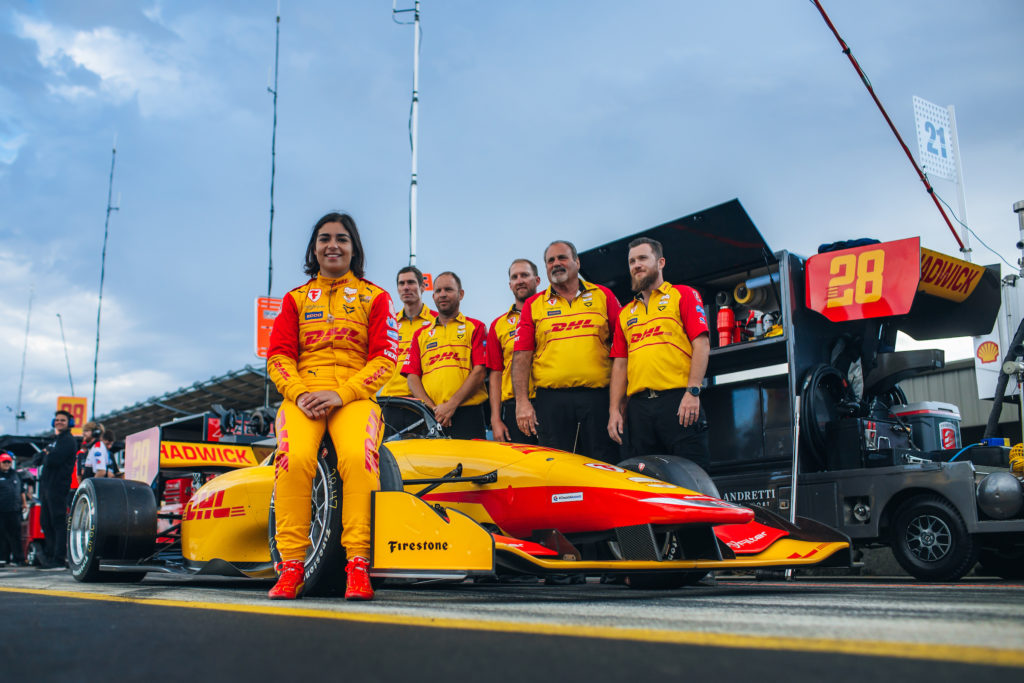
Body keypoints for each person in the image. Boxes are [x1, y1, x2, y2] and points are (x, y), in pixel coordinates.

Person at [266, 211, 398, 601]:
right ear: (314, 248)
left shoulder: (376, 297)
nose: (332, 245)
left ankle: (358, 563)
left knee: (359, 459)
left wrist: (342, 394)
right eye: (324, 238)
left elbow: (386, 358)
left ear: (354, 248)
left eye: (341, 238)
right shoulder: (293, 300)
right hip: (303, 397)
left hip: (353, 397)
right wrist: (299, 392)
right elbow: (278, 356)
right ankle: (291, 566)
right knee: (294, 459)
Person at [512, 240, 622, 462]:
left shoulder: (604, 296)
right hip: (551, 402)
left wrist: (619, 404)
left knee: (602, 466)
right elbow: (522, 357)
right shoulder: (535, 304)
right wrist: (522, 402)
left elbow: (622, 350)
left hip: (598, 399)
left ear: (577, 262)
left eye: (562, 257)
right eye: (550, 260)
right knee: (557, 470)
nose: (556, 264)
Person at [607, 237, 712, 470]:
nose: (636, 265)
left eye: (643, 258)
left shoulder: (682, 295)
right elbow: (620, 365)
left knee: (691, 478)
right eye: (632, 261)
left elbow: (702, 345)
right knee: (643, 483)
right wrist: (615, 410)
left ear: (661, 262)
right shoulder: (625, 313)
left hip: (679, 402)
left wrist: (692, 391)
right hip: (638, 410)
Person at [402, 271, 488, 439]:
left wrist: (451, 405)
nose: (442, 295)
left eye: (448, 289)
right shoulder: (420, 334)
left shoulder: (476, 327)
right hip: (431, 415)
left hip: (468, 414)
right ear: (433, 296)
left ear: (460, 294)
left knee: (472, 464)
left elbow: (480, 371)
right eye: (438, 291)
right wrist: (434, 409)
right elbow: (412, 377)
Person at [487, 259, 541, 443]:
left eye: (525, 275)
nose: (520, 280)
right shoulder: (498, 325)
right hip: (513, 407)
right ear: (510, 285)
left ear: (537, 280)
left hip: (550, 400)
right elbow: (496, 373)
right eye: (515, 277)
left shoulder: (552, 313)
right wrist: (495, 419)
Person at [379, 265, 436, 435]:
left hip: (424, 404)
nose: (406, 287)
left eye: (411, 282)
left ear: (423, 287)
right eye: (401, 283)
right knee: (391, 457)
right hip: (391, 402)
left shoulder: (437, 320)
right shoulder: (388, 323)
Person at [38, 410, 77, 568]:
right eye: (57, 420)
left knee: (58, 522)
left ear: (70, 423)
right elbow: (37, 459)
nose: (59, 422)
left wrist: (47, 455)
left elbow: (53, 459)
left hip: (58, 487)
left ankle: (59, 558)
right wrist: (47, 455)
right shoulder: (55, 440)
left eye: (63, 420)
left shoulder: (68, 440)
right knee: (45, 522)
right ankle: (50, 556)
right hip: (46, 486)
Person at [0, 452, 28, 566]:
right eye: (4, 462)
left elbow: (21, 491)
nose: (7, 464)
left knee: (16, 535)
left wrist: (24, 503)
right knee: (1, 534)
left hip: (14, 510)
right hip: (1, 510)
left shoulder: (15, 474)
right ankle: (2, 558)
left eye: (8, 462)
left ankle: (18, 558)